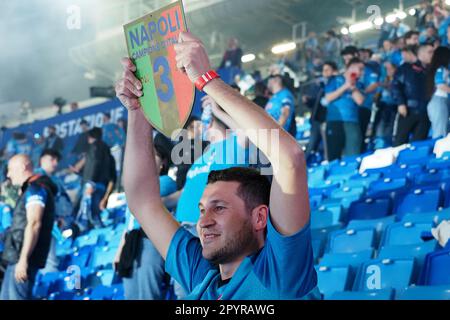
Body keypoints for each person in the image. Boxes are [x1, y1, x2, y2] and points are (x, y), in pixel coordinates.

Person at [115, 31, 318, 300]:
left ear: (259, 217)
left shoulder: (279, 276)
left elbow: (290, 158)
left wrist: (206, 79)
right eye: (202, 210)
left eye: (219, 208)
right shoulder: (202, 277)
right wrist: (138, 110)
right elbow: (142, 201)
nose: (203, 222)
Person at [114, 133, 177, 300]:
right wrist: (120, 249)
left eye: (153, 156)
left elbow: (146, 203)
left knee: (149, 295)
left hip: (151, 241)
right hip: (131, 243)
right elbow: (129, 221)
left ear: (163, 162)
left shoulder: (165, 182)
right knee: (131, 295)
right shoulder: (137, 187)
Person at [0, 155, 57, 300]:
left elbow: (34, 224)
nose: (8, 175)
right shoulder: (30, 189)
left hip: (22, 259)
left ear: (23, 167)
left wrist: (23, 260)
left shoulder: (36, 188)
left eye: (11, 170)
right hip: (15, 258)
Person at [70, 128, 115, 232]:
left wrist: (90, 183)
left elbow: (95, 163)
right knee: (94, 214)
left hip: (91, 185)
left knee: (87, 214)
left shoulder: (95, 147)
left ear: (90, 137)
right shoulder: (108, 153)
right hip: (101, 186)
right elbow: (111, 176)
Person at [322, 58, 365, 161]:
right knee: (334, 155)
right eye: (359, 69)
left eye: (362, 70)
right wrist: (345, 86)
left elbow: (360, 101)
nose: (361, 72)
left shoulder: (359, 84)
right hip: (335, 121)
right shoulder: (334, 80)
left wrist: (352, 86)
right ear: (350, 68)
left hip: (352, 122)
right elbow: (328, 98)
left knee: (353, 154)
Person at [392, 43, 435, 146]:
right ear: (421, 53)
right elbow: (395, 86)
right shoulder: (405, 68)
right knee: (399, 143)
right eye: (430, 52)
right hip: (408, 110)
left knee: (419, 144)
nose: (433, 55)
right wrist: (401, 103)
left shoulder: (431, 70)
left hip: (425, 112)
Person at [304, 61, 339, 161]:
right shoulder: (322, 86)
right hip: (317, 120)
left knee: (327, 144)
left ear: (334, 71)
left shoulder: (335, 84)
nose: (324, 73)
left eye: (327, 70)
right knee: (312, 143)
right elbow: (317, 104)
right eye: (323, 70)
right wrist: (308, 101)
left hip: (328, 119)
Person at [426, 46, 450, 138]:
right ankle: (438, 152)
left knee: (444, 130)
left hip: (443, 101)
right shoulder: (440, 69)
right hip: (439, 101)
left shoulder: (444, 69)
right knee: (440, 132)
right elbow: (440, 84)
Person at [373, 61, 398, 148]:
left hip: (394, 107)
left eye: (391, 68)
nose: (389, 71)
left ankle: (387, 146)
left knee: (390, 129)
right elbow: (377, 94)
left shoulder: (397, 80)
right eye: (387, 69)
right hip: (383, 107)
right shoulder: (383, 80)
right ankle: (378, 145)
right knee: (380, 128)